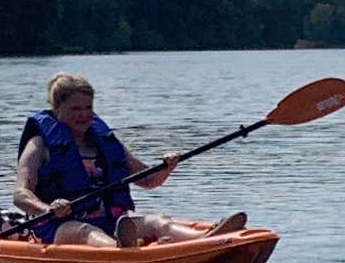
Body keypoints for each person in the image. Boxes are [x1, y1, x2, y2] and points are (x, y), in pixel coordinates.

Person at [15, 75, 242, 245]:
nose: (83, 114)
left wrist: (168, 167)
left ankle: (205, 238)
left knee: (158, 221)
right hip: (58, 227)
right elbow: (20, 194)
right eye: (75, 108)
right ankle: (120, 250)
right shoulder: (39, 145)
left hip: (112, 222)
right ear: (56, 109)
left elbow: (148, 180)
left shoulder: (104, 141)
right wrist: (47, 208)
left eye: (88, 108)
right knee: (86, 231)